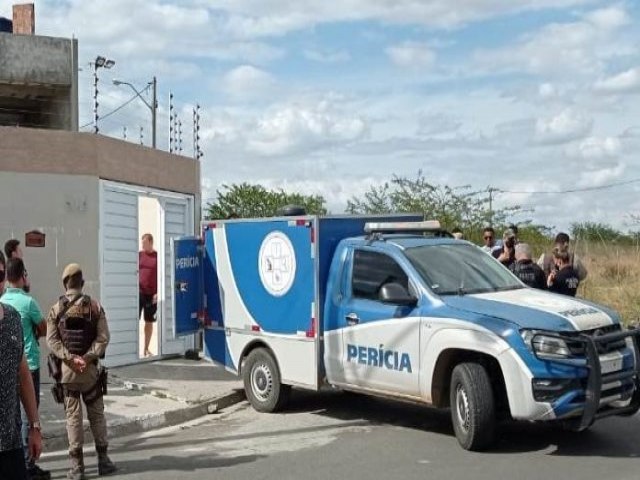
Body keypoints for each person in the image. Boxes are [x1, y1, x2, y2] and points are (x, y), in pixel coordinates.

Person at [46, 263, 116, 480]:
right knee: (96, 415)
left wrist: (69, 358)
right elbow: (103, 338)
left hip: (68, 373)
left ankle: (77, 468)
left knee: (73, 418)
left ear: (65, 283)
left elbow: (52, 340)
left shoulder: (55, 310)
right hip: (90, 373)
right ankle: (103, 461)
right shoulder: (95, 307)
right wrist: (87, 357)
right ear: (82, 282)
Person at [0, 259, 49, 480]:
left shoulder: (12, 318)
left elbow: (23, 375)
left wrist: (35, 427)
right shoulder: (28, 303)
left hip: (11, 445)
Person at [139, 233, 158, 357]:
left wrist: (158, 292)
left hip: (152, 295)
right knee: (133, 320)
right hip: (139, 292)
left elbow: (161, 275)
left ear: (151, 242)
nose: (142, 245)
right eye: (142, 243)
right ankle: (132, 350)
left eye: (144, 243)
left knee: (149, 322)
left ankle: (146, 349)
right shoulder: (139, 255)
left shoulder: (157, 257)